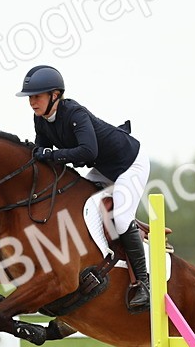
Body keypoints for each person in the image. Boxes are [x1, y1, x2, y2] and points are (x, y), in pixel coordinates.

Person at [17, 64, 150, 312]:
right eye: (30, 97)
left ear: (55, 95)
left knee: (120, 220)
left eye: (37, 96)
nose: (32, 102)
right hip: (103, 166)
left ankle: (144, 283)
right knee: (81, 208)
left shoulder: (74, 114)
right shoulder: (41, 120)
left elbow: (88, 151)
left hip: (129, 164)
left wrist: (52, 154)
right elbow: (43, 155)